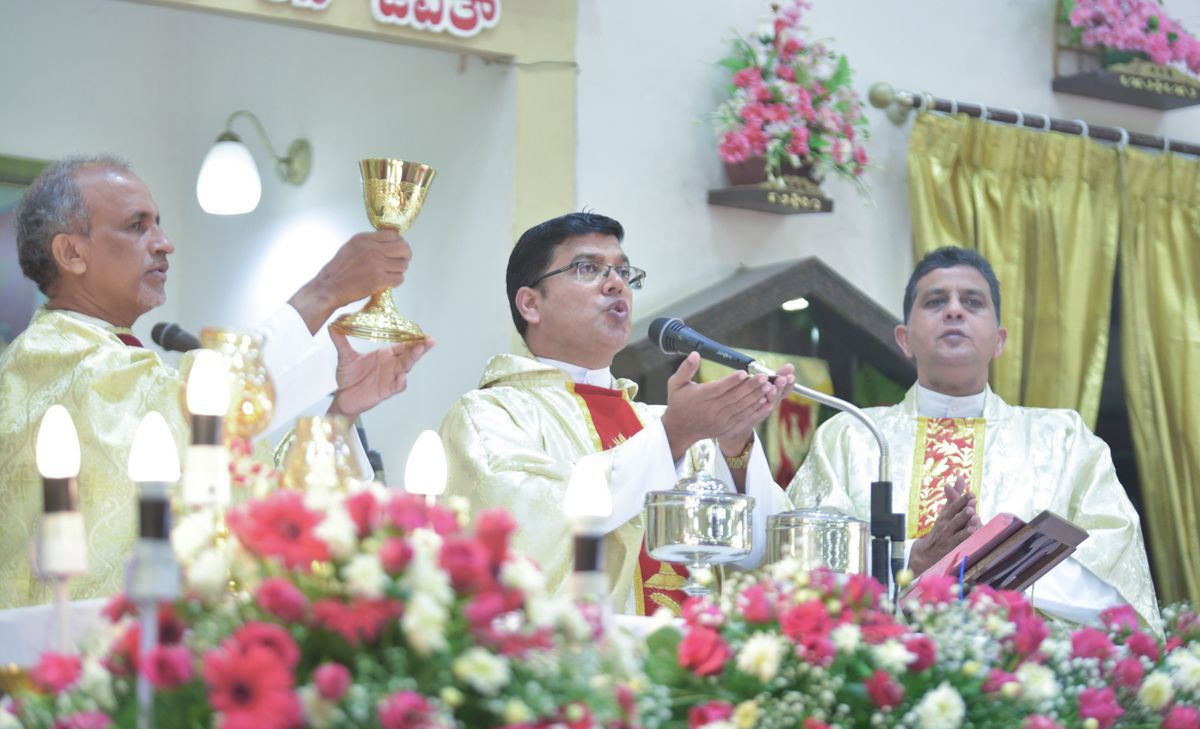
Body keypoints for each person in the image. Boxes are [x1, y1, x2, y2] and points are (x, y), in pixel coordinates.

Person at [0, 156, 433, 607]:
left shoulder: (116, 363)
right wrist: (326, 289)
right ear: (71, 253)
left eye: (158, 224)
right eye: (136, 226)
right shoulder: (54, 360)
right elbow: (197, 413)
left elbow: (249, 498)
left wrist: (342, 413)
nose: (164, 243)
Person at [440, 212, 795, 615]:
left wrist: (734, 447)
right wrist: (673, 437)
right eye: (587, 268)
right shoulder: (491, 417)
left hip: (694, 649)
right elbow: (529, 531)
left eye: (624, 272)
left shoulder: (660, 425)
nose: (616, 284)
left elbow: (761, 556)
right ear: (531, 304)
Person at [787, 246, 1159, 630]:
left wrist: (992, 563)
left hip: (1023, 661)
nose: (954, 310)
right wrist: (911, 560)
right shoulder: (852, 436)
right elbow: (802, 563)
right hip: (880, 659)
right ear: (904, 339)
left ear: (999, 340)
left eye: (972, 302)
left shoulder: (1063, 440)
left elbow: (1117, 575)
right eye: (935, 301)